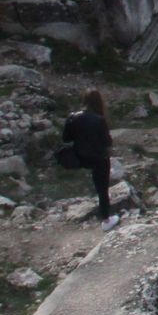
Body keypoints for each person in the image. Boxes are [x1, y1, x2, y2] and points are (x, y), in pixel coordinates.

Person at [63, 89, 118, 232]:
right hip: (98, 158)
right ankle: (106, 219)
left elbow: (66, 138)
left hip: (79, 157)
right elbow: (107, 142)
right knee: (102, 189)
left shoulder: (72, 117)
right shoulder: (99, 120)